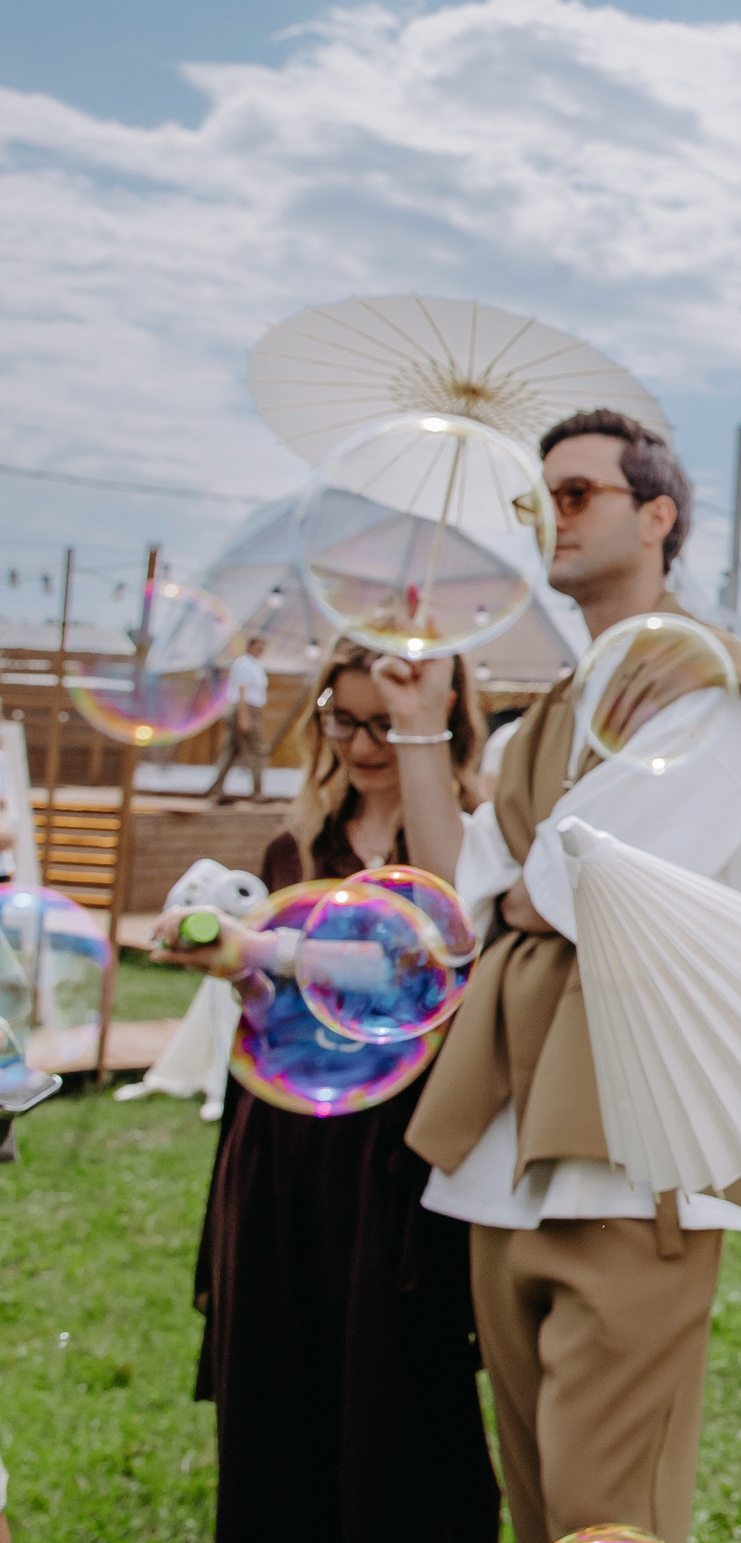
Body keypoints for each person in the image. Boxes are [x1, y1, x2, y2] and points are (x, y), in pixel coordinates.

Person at [403, 409, 741, 1543]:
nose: (551, 521)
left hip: (633, 1158)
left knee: (604, 1516)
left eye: (576, 495)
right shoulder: (546, 720)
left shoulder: (706, 682)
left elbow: (599, 884)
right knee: (533, 1513)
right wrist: (438, 746)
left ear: (658, 516)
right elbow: (462, 899)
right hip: (500, 1155)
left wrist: (525, 877)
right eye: (541, 501)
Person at [152, 633, 498, 1543]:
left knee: (390, 1391)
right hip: (285, 1142)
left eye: (384, 719)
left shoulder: (467, 836)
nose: (363, 741)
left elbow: (428, 959)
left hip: (395, 1156)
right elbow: (275, 1011)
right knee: (280, 1381)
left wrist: (267, 947)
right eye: (342, 718)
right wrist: (234, 970)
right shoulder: (292, 845)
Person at [202, 635, 272, 802]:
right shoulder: (245, 664)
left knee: (230, 752)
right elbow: (242, 689)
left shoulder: (254, 665)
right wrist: (244, 716)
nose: (261, 651)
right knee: (255, 751)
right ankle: (257, 792)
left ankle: (215, 791)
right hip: (245, 709)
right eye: (258, 647)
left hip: (246, 709)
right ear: (250, 646)